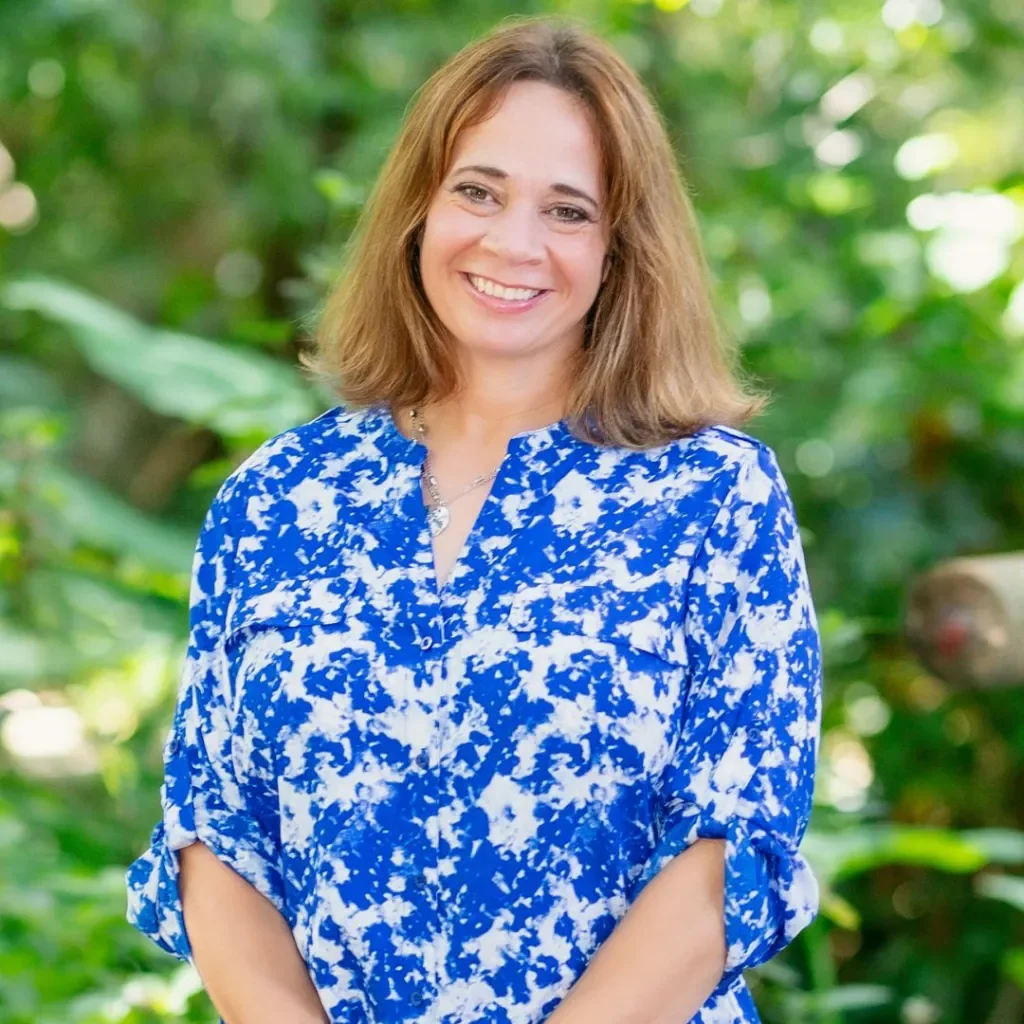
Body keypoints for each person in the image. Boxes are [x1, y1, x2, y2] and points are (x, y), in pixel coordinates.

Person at [125, 14, 823, 1024]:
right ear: (418, 204)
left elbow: (732, 849)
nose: (513, 242)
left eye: (569, 210)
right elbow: (212, 833)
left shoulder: (714, 498)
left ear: (621, 245)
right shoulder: (279, 496)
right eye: (478, 191)